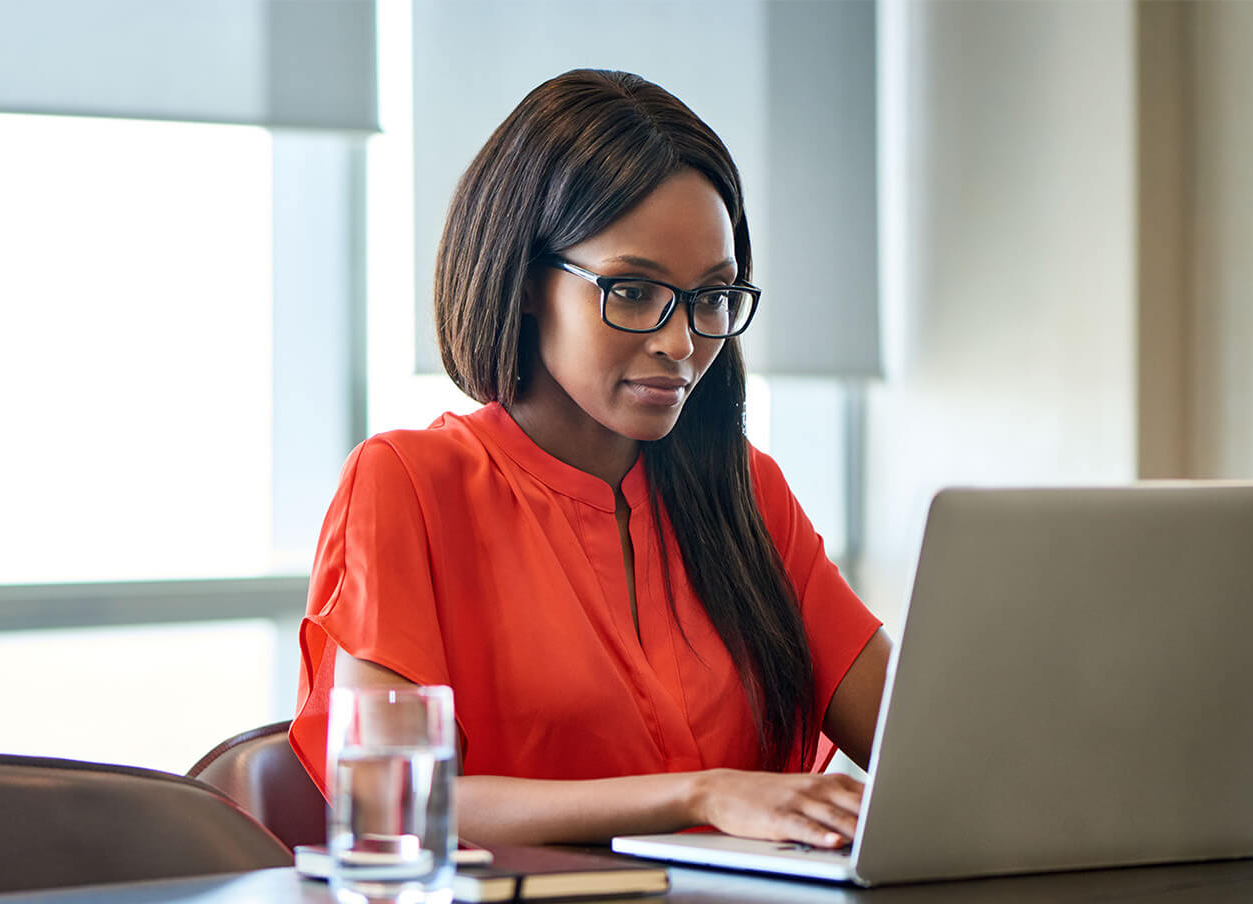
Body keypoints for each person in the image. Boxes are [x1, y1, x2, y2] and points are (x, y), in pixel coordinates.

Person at [289, 69, 891, 850]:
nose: (681, 344)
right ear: (528, 281)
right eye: (635, 292)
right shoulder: (407, 485)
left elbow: (930, 749)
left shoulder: (747, 491)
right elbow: (391, 806)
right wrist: (700, 796)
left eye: (712, 298)